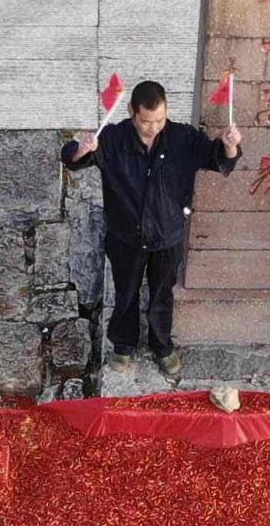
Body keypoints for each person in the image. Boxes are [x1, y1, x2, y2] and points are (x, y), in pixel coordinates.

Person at [60, 80, 242, 381]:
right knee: (126, 292)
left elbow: (218, 158)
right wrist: (82, 148)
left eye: (159, 120)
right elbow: (72, 158)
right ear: (133, 112)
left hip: (167, 235)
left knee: (161, 294)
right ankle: (124, 343)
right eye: (146, 122)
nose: (153, 128)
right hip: (125, 236)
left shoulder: (183, 137)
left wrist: (230, 144)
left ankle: (161, 345)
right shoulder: (115, 137)